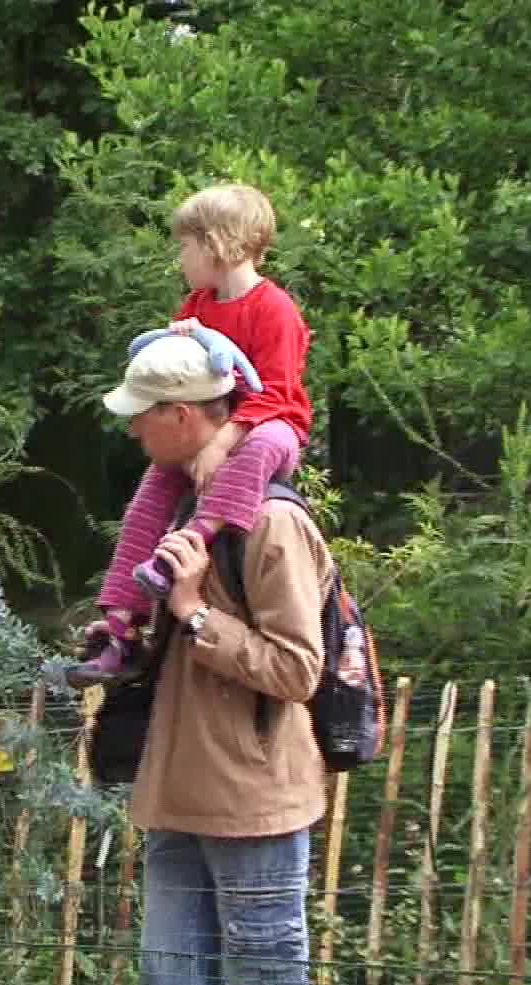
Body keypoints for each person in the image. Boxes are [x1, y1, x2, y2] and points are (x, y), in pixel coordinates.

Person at [100, 333, 335, 985]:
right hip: (175, 793)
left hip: (253, 800)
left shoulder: (272, 522)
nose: (133, 430)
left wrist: (197, 612)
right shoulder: (181, 509)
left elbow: (299, 669)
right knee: (169, 984)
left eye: (143, 415)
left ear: (182, 414)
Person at [70, 182, 314, 687]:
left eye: (185, 245)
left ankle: (188, 543)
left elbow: (278, 390)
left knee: (265, 444)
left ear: (216, 244)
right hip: (213, 435)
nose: (179, 256)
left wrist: (226, 439)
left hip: (271, 425)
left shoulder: (275, 309)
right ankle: (122, 623)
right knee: (150, 494)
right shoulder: (196, 305)